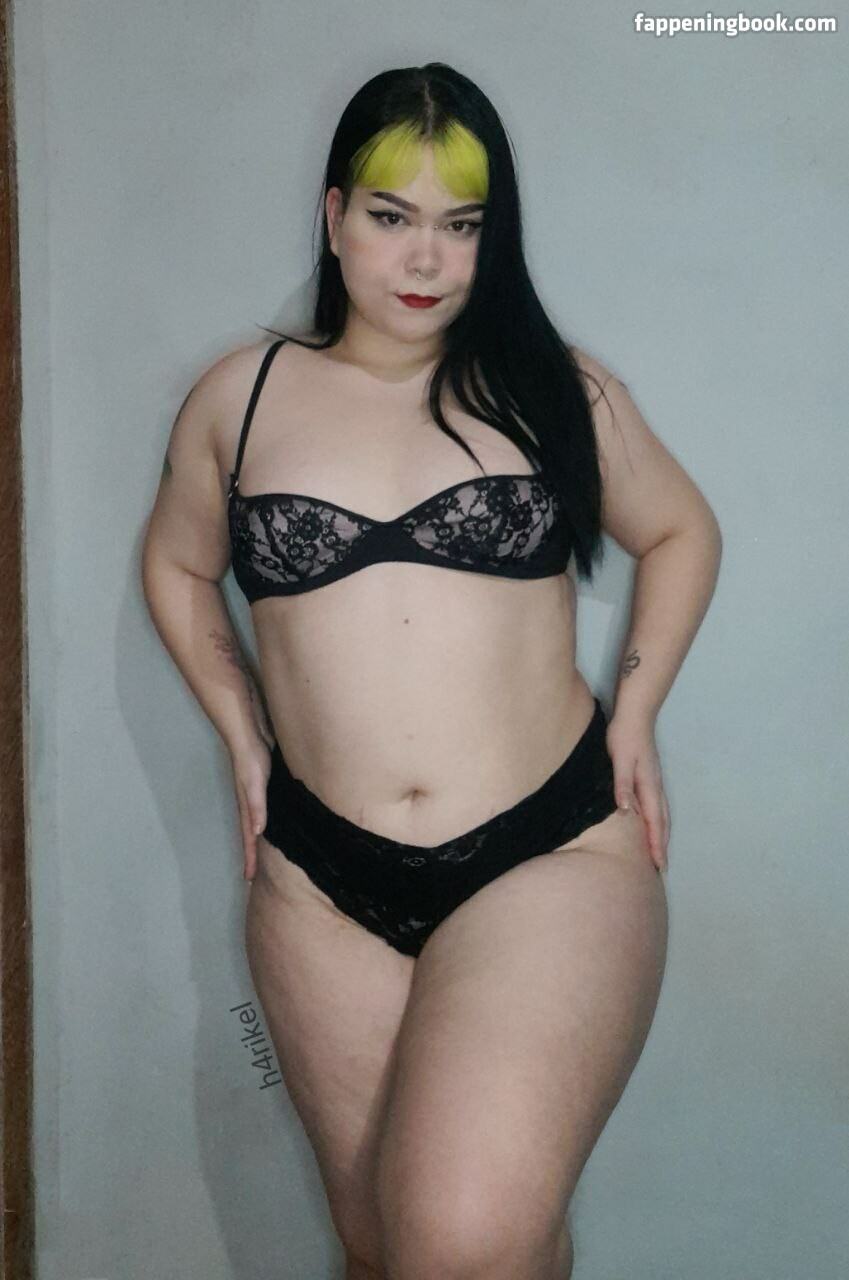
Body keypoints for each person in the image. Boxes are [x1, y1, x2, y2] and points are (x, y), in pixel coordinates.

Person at [141, 61, 721, 1280]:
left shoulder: (552, 388)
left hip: (547, 850)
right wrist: (241, 730)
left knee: (465, 1238)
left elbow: (681, 530)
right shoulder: (239, 400)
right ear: (334, 216)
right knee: (381, 1249)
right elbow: (179, 565)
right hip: (319, 882)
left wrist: (638, 706)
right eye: (392, 217)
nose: (426, 260)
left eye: (461, 226)